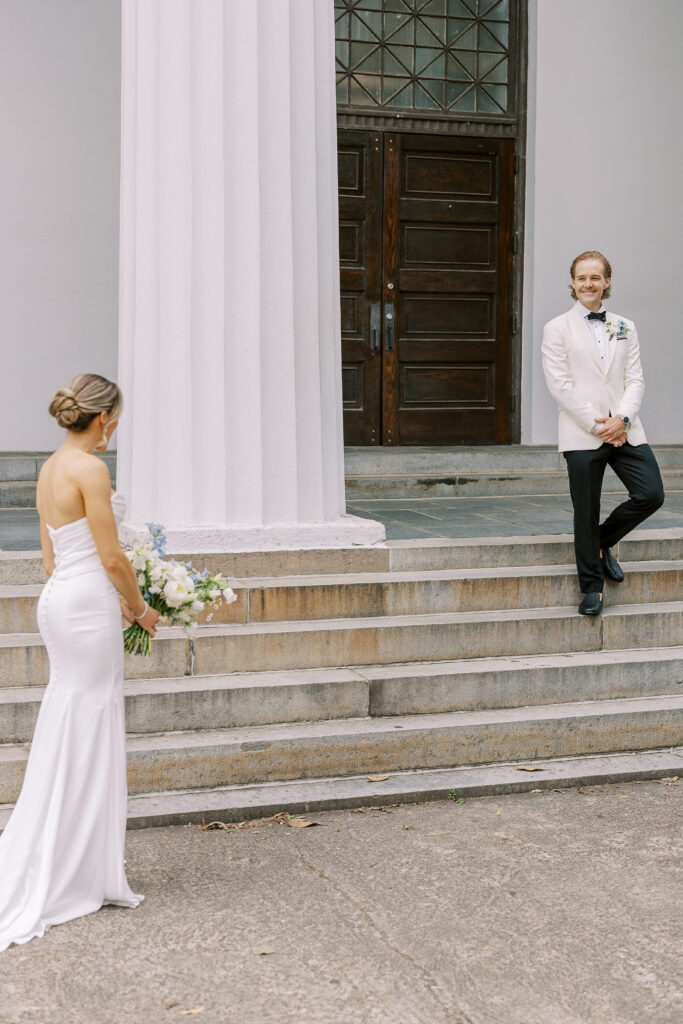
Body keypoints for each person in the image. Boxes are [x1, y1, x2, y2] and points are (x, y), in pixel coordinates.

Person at [0, 373, 160, 951]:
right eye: (116, 418)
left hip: (59, 600)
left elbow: (49, 559)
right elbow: (113, 555)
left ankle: (69, 855)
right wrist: (140, 608)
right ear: (104, 419)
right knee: (90, 719)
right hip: (89, 604)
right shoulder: (91, 469)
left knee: (70, 713)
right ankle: (79, 868)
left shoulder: (49, 468)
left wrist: (99, 591)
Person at [542, 251, 664, 616]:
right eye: (581, 278)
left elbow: (636, 378)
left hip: (625, 428)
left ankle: (600, 542)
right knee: (586, 509)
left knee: (651, 493)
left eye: (595, 277)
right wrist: (599, 425)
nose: (588, 284)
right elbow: (559, 385)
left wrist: (622, 419)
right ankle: (591, 588)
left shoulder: (624, 325)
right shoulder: (556, 328)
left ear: (607, 282)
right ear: (573, 282)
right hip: (583, 432)